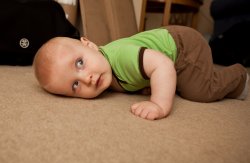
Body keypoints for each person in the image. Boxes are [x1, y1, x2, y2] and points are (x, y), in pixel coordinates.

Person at [33, 25, 249, 120]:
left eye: (80, 63)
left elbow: (163, 65)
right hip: (167, 46)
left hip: (184, 48)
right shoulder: (102, 67)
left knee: (200, 91)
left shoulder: (121, 57)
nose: (86, 78)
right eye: (75, 86)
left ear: (89, 44)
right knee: (155, 79)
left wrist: (158, 104)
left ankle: (239, 78)